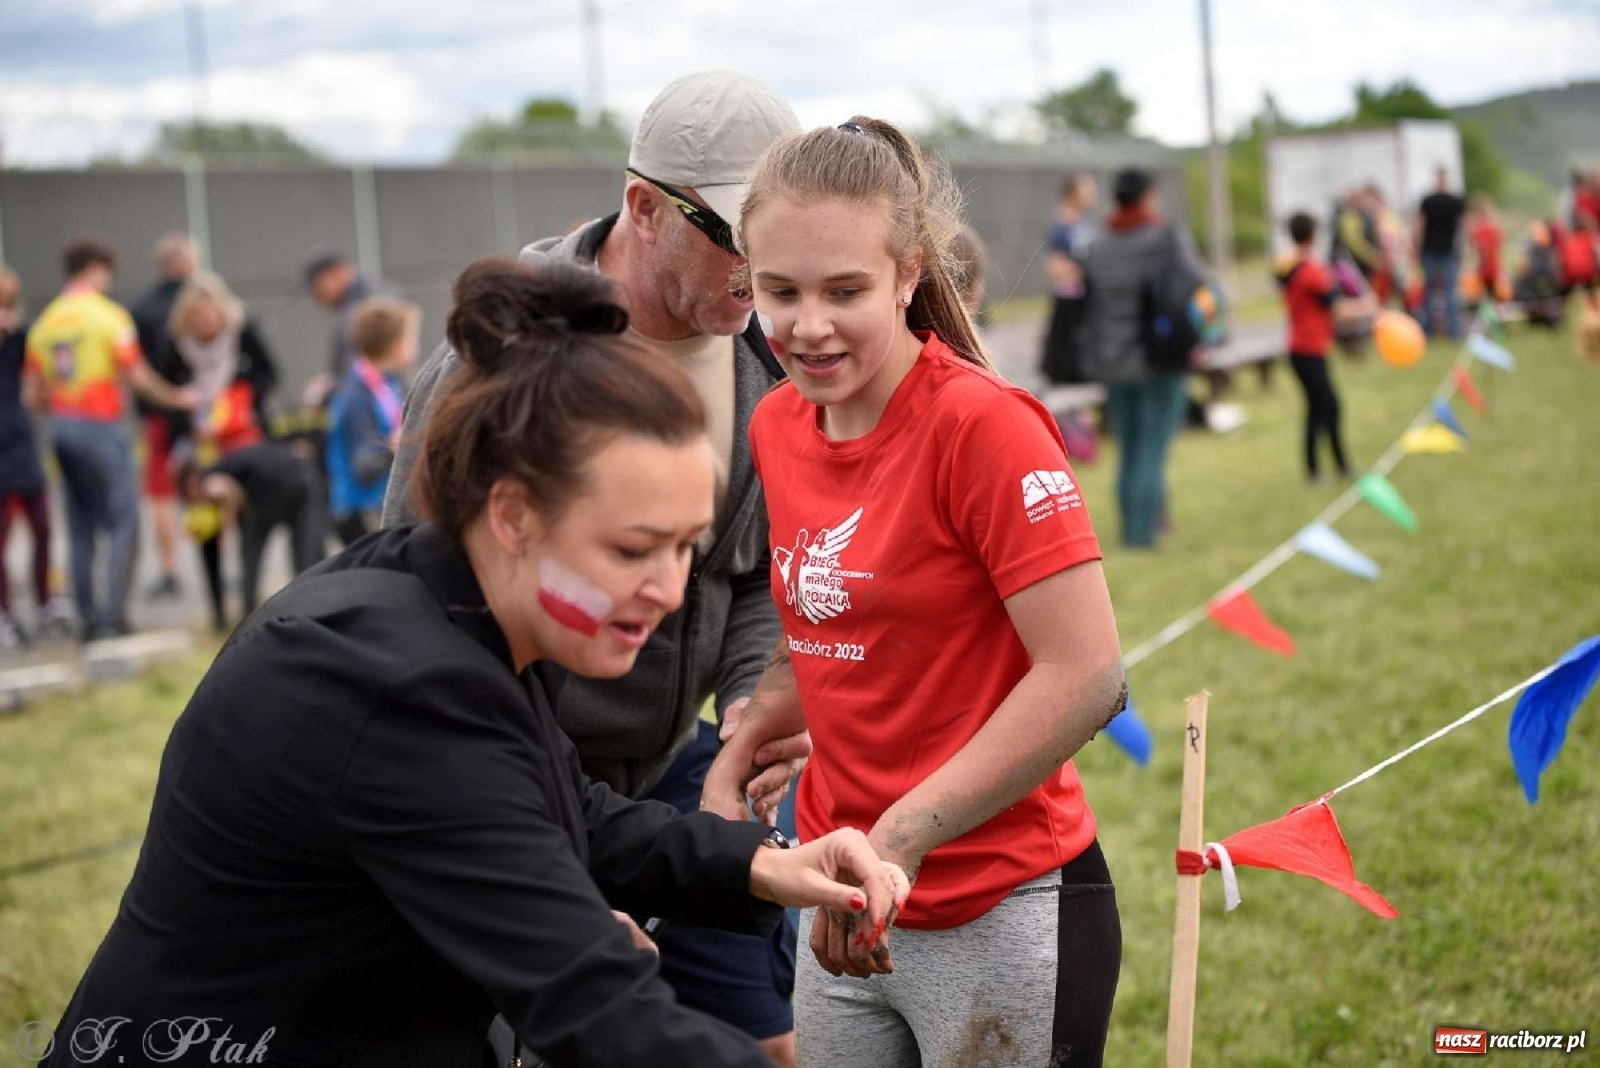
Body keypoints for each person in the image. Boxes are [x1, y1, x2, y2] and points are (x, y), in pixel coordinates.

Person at [41, 257, 907, 1068]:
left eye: (685, 549)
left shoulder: (444, 600)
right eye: (633, 549)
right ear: (514, 514)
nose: (669, 591)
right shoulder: (404, 687)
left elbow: (568, 808)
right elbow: (597, 1009)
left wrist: (764, 862)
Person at [383, 71, 808, 1065]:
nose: (762, 272)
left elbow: (751, 572)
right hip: (506, 783)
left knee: (774, 1044)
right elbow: (413, 591)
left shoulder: (771, 361)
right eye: (738, 235)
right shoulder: (504, 355)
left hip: (677, 774)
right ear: (644, 208)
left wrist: (749, 709)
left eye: (780, 239)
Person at [707, 116, 1128, 1068]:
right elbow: (821, 612)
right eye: (780, 292)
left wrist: (899, 838)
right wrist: (739, 756)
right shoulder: (778, 423)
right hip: (841, 899)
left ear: (909, 275)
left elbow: (1087, 675)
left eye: (845, 290)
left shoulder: (985, 429)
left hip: (1002, 900)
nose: (807, 326)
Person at [23, 238, 197, 640]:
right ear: (98, 268)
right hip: (100, 425)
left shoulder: (46, 321)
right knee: (123, 521)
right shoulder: (109, 316)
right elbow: (137, 378)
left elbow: (32, 393)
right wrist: (176, 397)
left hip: (61, 427)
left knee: (80, 526)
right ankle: (112, 616)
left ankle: (86, 618)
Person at [1075, 167, 1206, 549]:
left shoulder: (1097, 242)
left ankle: (1135, 527)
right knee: (1151, 449)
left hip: (1111, 362)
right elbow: (1193, 287)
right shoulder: (1164, 237)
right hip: (1158, 358)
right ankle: (1141, 536)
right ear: (1148, 195)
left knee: (1129, 449)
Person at [159, 270, 281, 631]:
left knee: (248, 521)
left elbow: (269, 375)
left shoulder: (244, 335)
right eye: (197, 317)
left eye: (210, 315)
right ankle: (216, 610)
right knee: (205, 524)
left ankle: (249, 602)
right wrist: (187, 418)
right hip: (199, 449)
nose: (205, 323)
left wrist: (240, 399)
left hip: (243, 442)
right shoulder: (174, 347)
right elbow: (162, 399)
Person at [176, 438, 325, 622]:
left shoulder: (211, 479)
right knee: (305, 557)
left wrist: (225, 525)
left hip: (274, 490)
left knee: (252, 557)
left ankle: (250, 616)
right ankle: (310, 611)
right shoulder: (230, 463)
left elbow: (225, 491)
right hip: (301, 478)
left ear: (191, 484)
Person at [129, 232, 199, 600]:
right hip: (200, 413)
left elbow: (135, 369)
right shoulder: (204, 299)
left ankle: (170, 570)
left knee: (161, 495)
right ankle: (222, 564)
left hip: (158, 416)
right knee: (213, 484)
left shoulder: (140, 306)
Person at [0, 268, 65, 647]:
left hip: (20, 438)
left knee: (42, 527)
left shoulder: (20, 338)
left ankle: (46, 604)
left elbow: (39, 376)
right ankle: (5, 613)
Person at [327, 296, 418, 545]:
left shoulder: (389, 383)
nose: (415, 347)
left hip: (377, 504)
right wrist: (395, 446)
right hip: (360, 510)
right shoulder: (357, 394)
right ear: (393, 346)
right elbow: (364, 468)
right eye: (411, 340)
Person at [1277, 213, 1352, 483]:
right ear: (1313, 235)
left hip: (1302, 348)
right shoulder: (1310, 269)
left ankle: (1334, 467)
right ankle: (1322, 469)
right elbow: (1337, 308)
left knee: (1322, 407)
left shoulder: (1287, 265)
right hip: (1308, 349)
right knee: (1327, 407)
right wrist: (1369, 306)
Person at [300, 249, 389, 409]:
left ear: (337, 273)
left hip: (373, 413)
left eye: (317, 285)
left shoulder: (364, 308)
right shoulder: (367, 300)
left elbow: (361, 372)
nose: (316, 296)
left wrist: (325, 394)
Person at [1039, 171, 1098, 385]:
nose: (1092, 194)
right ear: (1073, 192)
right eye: (1087, 188)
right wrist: (1082, 272)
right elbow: (1054, 265)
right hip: (1069, 297)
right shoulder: (1061, 225)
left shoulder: (1085, 225)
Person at [1415, 168, 1466, 339]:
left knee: (1442, 291)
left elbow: (1462, 227)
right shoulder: (1434, 201)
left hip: (1443, 251)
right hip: (1437, 250)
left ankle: (1443, 330)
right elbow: (1421, 226)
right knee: (1442, 291)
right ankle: (1444, 330)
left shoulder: (1446, 202)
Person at [1468, 194, 1505, 304]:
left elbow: (1476, 244)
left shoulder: (1482, 227)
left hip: (1487, 264)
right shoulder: (1493, 226)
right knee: (1490, 290)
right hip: (1489, 264)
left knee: (1488, 290)